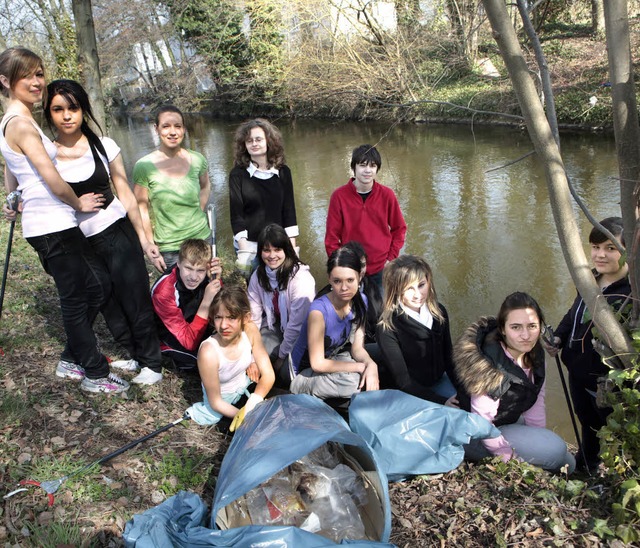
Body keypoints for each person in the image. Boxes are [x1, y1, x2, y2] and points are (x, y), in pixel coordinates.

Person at [0, 47, 128, 394]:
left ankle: (74, 356)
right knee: (76, 297)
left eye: (39, 73)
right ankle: (95, 373)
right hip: (51, 224)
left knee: (97, 283)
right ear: (6, 81)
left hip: (54, 221)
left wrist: (13, 197)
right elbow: (52, 178)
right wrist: (78, 202)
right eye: (26, 75)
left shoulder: (17, 122)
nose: (36, 81)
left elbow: (14, 171)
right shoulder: (21, 125)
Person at [43, 79, 163, 386]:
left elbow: (124, 190)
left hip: (117, 233)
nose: (67, 116)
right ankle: (134, 354)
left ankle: (152, 363)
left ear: (84, 110)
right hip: (80, 242)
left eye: (74, 108)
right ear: (48, 113)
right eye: (58, 109)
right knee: (107, 300)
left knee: (134, 295)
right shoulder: (47, 155)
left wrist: (144, 238)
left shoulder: (104, 145)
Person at [453, 292, 575, 473]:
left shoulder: (535, 354)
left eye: (532, 326)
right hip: (475, 435)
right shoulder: (489, 366)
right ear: (503, 329)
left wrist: (540, 437)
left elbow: (536, 398)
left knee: (569, 463)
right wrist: (509, 459)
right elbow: (483, 423)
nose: (525, 335)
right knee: (556, 451)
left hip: (504, 421)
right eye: (516, 327)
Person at [545, 217, 631, 473]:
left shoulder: (631, 292)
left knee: (612, 432)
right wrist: (559, 338)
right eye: (595, 247)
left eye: (610, 248)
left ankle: (618, 475)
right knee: (586, 423)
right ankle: (586, 466)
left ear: (626, 252)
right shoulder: (590, 279)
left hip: (606, 382)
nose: (600, 255)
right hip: (576, 372)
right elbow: (574, 313)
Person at [289, 245, 379, 401]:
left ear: (359, 276)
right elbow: (317, 364)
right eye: (337, 281)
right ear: (329, 279)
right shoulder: (318, 311)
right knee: (353, 381)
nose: (344, 288)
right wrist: (359, 367)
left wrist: (371, 365)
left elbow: (357, 348)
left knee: (376, 362)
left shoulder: (361, 301)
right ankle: (299, 387)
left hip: (334, 357)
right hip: (307, 371)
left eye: (350, 280)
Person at [133, 105, 211, 271]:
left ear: (184, 128)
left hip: (202, 239)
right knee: (174, 295)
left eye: (178, 126)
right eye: (166, 126)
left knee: (208, 291)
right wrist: (148, 243)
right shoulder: (144, 166)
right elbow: (142, 208)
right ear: (156, 129)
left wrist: (200, 207)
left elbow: (205, 186)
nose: (173, 132)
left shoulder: (197, 159)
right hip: (169, 247)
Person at [187, 285, 275, 428]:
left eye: (231, 318)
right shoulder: (208, 351)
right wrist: (246, 416)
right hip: (224, 406)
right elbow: (216, 402)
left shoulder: (250, 330)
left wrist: (254, 401)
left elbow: (269, 374)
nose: (223, 325)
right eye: (218, 317)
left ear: (245, 318)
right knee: (262, 429)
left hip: (245, 389)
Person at [376, 255, 459, 406]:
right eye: (409, 288)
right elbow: (403, 382)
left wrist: (463, 390)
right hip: (409, 392)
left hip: (439, 380)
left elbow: (449, 358)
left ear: (429, 281)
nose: (418, 295)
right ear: (396, 290)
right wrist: (442, 402)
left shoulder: (439, 312)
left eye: (421, 285)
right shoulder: (387, 328)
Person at [324, 144, 406, 291]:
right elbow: (331, 238)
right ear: (354, 167)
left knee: (379, 310)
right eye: (362, 165)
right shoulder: (339, 196)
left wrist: (391, 258)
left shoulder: (387, 195)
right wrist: (341, 265)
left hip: (381, 267)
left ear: (377, 169)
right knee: (351, 311)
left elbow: (399, 228)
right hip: (350, 268)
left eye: (373, 166)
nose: (368, 170)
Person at [228, 118, 298, 274]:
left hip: (277, 246)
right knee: (253, 291)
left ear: (269, 141)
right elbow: (236, 215)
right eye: (249, 141)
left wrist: (292, 248)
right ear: (244, 145)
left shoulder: (283, 172)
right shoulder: (237, 174)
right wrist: (245, 251)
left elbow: (289, 211)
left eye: (258, 139)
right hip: (250, 246)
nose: (254, 143)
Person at [247, 224, 315, 383]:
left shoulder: (301, 279)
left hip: (302, 331)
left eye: (277, 250)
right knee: (256, 353)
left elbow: (296, 325)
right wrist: (250, 357)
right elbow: (253, 317)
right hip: (276, 325)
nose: (272, 256)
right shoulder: (258, 275)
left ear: (286, 250)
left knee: (285, 374)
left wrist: (281, 357)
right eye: (266, 250)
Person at [151, 239, 222, 371]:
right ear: (178, 264)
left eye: (200, 270)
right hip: (171, 337)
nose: (193, 277)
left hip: (194, 323)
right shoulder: (164, 292)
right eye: (188, 268)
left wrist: (216, 280)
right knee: (209, 363)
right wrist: (206, 300)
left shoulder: (207, 276)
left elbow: (224, 308)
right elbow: (189, 342)